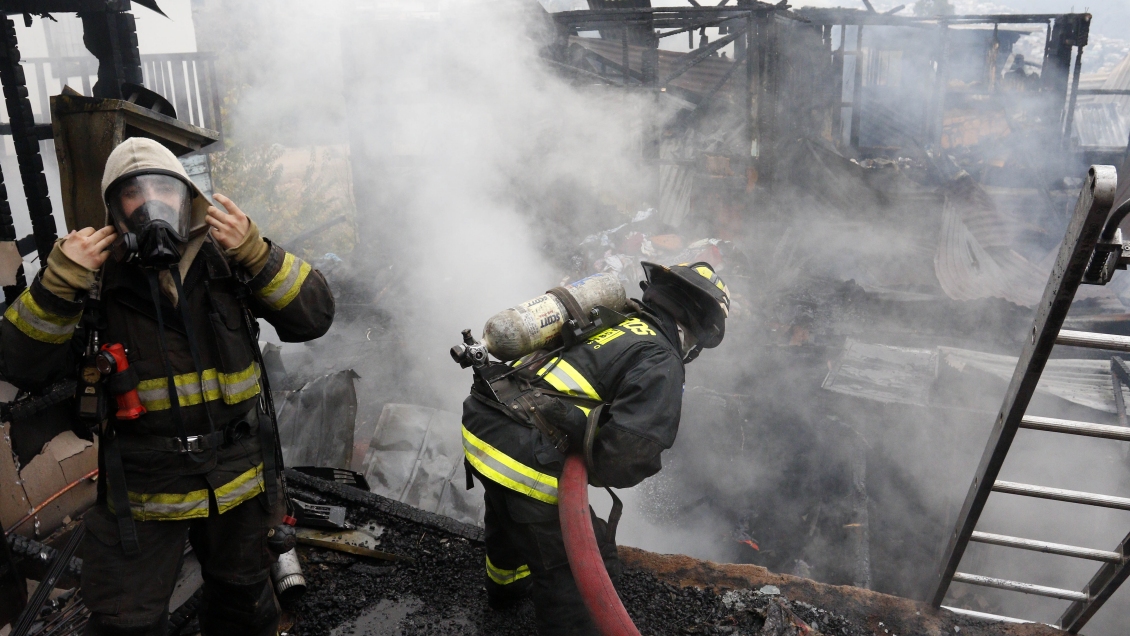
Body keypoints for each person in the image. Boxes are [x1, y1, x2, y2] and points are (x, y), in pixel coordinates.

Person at [0, 137, 334, 635]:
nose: (152, 203)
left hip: (238, 477)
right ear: (116, 208)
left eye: (164, 187)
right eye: (135, 193)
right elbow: (19, 365)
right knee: (124, 621)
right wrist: (57, 285)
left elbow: (315, 316)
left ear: (186, 196)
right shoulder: (94, 278)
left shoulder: (226, 258)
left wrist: (257, 254)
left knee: (245, 604)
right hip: (143, 487)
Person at [461, 261, 729, 635]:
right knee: (578, 570)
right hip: (523, 455)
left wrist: (575, 425)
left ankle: (504, 592)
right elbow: (627, 457)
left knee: (509, 513)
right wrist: (589, 442)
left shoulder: (613, 318)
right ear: (700, 331)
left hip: (485, 418)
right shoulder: (661, 358)